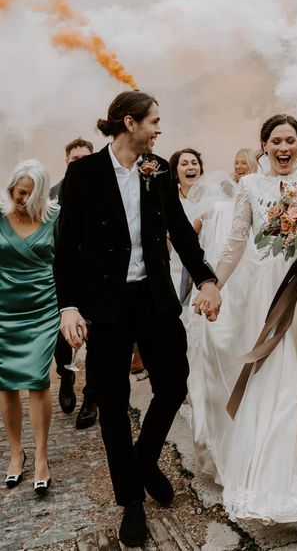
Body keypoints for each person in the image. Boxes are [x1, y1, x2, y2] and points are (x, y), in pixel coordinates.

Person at [55, 91, 221, 547]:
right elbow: (67, 246)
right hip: (106, 307)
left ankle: (144, 460)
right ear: (129, 123)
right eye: (153, 122)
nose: (158, 130)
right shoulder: (83, 173)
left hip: (154, 299)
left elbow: (181, 231)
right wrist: (68, 306)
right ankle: (130, 500)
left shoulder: (159, 168)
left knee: (174, 383)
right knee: (113, 401)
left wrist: (206, 278)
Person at [190, 113, 297, 543]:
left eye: (290, 140)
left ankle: (281, 486)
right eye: (276, 141)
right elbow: (234, 246)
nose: (283, 147)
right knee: (281, 388)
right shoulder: (250, 187)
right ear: (264, 145)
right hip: (265, 297)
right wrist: (212, 285)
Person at [0, 160, 59, 494]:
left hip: (41, 308)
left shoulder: (55, 218)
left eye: (25, 194)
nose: (18, 198)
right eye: (15, 191)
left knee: (38, 381)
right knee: (5, 384)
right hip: (3, 310)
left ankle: (41, 456)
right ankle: (15, 452)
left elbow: (66, 262)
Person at [48, 137, 97, 429]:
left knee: (98, 338)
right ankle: (66, 376)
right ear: (66, 161)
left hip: (97, 277)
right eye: (75, 158)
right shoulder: (52, 195)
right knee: (61, 337)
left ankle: (92, 398)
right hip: (63, 275)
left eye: (85, 157)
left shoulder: (105, 190)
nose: (80, 162)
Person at [168, 148, 204, 304]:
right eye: (184, 163)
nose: (190, 166)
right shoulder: (167, 202)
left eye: (194, 163)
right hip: (175, 269)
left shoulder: (211, 201)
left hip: (204, 269)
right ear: (176, 173)